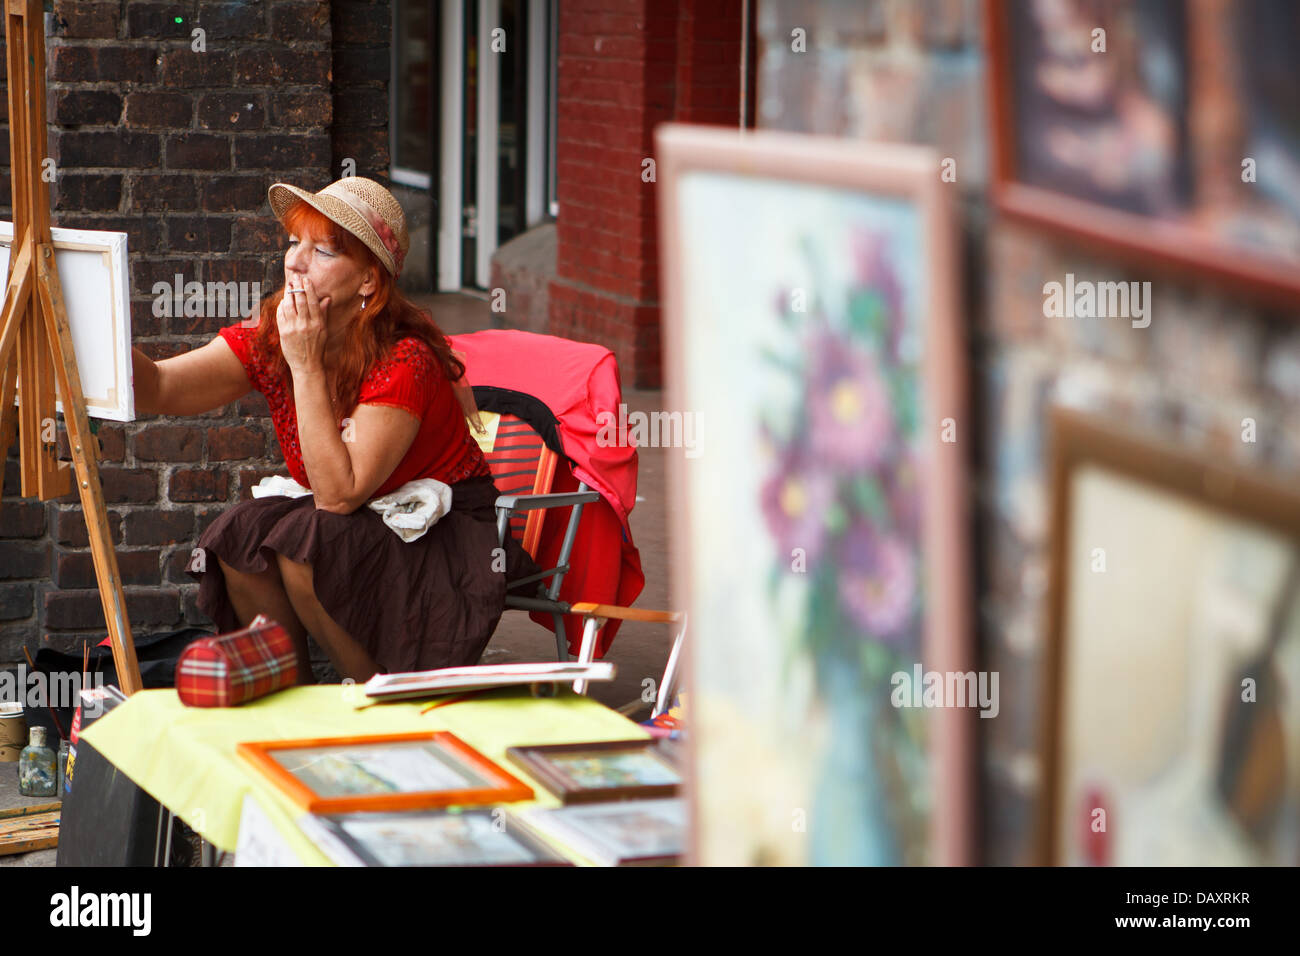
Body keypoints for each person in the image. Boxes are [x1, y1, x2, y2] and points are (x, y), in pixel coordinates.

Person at [131, 177, 536, 682]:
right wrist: (78, 326)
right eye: (294, 243)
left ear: (368, 280)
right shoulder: (279, 333)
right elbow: (162, 387)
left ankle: (371, 698)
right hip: (356, 518)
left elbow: (338, 496)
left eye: (322, 251)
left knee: (307, 542)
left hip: (437, 533)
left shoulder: (403, 359)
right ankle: (290, 693)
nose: (295, 262)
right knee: (240, 535)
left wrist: (305, 368)